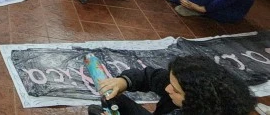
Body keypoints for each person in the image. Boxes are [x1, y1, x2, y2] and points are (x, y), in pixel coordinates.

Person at [88, 55, 256, 115]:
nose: (168, 89)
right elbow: (150, 76)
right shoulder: (185, 84)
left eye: (175, 90)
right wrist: (123, 81)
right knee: (111, 97)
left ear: (195, 101)